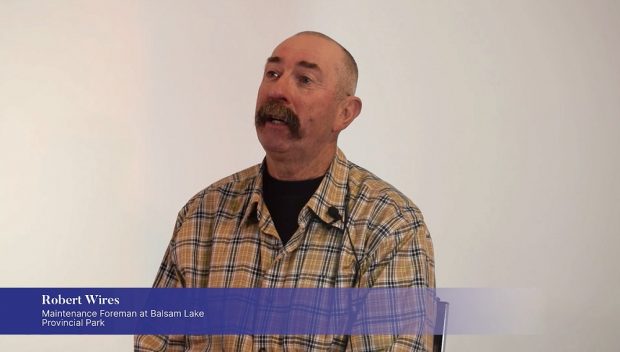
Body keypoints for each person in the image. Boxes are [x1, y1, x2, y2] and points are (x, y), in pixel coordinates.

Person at [135, 31, 435, 351]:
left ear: (345, 112)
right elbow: (157, 343)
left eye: (304, 79)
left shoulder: (391, 225)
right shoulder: (203, 215)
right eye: (272, 74)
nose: (277, 90)